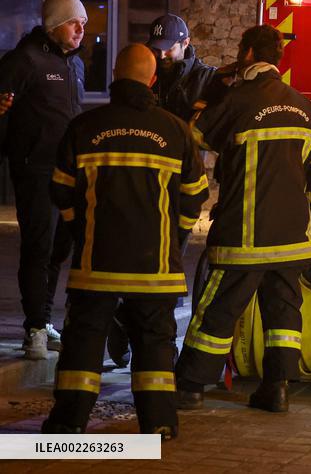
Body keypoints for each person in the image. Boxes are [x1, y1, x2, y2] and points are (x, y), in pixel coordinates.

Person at [42, 44, 208, 437]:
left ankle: (68, 424)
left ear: (115, 75)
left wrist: (80, 230)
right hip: (156, 270)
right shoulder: (176, 131)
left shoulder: (85, 127)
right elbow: (194, 196)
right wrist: (176, 239)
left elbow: (61, 191)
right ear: (153, 80)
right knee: (154, 346)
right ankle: (160, 425)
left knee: (83, 343)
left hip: (96, 264)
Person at [174, 24, 311, 413]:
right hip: (294, 237)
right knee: (282, 316)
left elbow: (190, 137)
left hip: (243, 237)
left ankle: (191, 386)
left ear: (246, 54)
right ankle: (276, 389)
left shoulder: (236, 101)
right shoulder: (304, 107)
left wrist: (210, 95)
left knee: (218, 309)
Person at [0, 0, 87, 359]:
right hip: (35, 170)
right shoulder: (24, 60)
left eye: (83, 22)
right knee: (38, 248)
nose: (81, 29)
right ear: (53, 26)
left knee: (58, 250)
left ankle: (45, 320)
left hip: (69, 173)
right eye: (73, 22)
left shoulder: (76, 65)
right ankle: (34, 329)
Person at [146, 13, 218, 122]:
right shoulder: (147, 73)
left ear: (185, 43)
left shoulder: (206, 78)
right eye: (156, 49)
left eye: (169, 48)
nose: (161, 55)